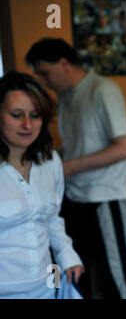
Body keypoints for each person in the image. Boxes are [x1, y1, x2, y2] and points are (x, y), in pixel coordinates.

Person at [25, 38, 126, 299]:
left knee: (120, 278)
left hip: (106, 198)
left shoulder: (102, 90)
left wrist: (66, 167)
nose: (44, 82)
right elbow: (76, 146)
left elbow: (125, 148)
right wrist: (44, 163)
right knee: (82, 275)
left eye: (45, 73)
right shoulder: (66, 97)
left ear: (64, 64)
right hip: (75, 198)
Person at [0, 71, 83, 299]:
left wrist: (67, 256)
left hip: (46, 288)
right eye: (17, 115)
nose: (27, 125)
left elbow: (52, 218)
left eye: (35, 115)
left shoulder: (50, 161)